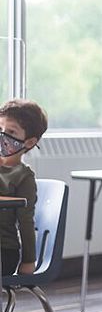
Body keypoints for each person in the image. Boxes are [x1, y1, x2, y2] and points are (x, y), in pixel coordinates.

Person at [0, 99, 48, 276]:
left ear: (28, 142)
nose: (2, 135)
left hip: (4, 252)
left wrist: (29, 260)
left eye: (11, 131)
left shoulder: (24, 177)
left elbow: (26, 221)